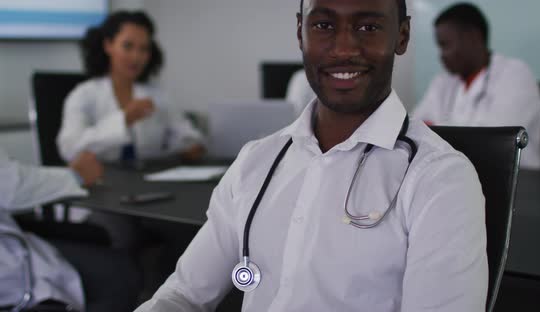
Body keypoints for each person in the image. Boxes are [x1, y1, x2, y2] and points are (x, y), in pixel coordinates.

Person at [136, 0, 487, 311]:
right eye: (323, 25)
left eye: (368, 27)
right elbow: (183, 295)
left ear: (402, 36)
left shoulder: (439, 179)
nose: (344, 48)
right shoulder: (257, 161)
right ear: (300, 32)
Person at [57, 11, 205, 165]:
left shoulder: (157, 95)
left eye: (144, 49)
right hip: (101, 182)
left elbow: (187, 136)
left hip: (150, 181)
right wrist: (124, 119)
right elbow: (70, 149)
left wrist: (191, 146)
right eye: (128, 46)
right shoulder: (83, 95)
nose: (136, 57)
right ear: (108, 45)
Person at [0, 149, 140, 312]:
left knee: (98, 236)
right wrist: (75, 176)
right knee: (120, 273)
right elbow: (11, 187)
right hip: (10, 271)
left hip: (13, 245)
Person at [412, 3, 540, 169]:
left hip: (516, 182)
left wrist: (436, 130)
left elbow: (494, 142)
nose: (441, 55)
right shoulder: (443, 81)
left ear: (473, 38)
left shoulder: (515, 74)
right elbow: (415, 128)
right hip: (456, 176)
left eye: (445, 45)